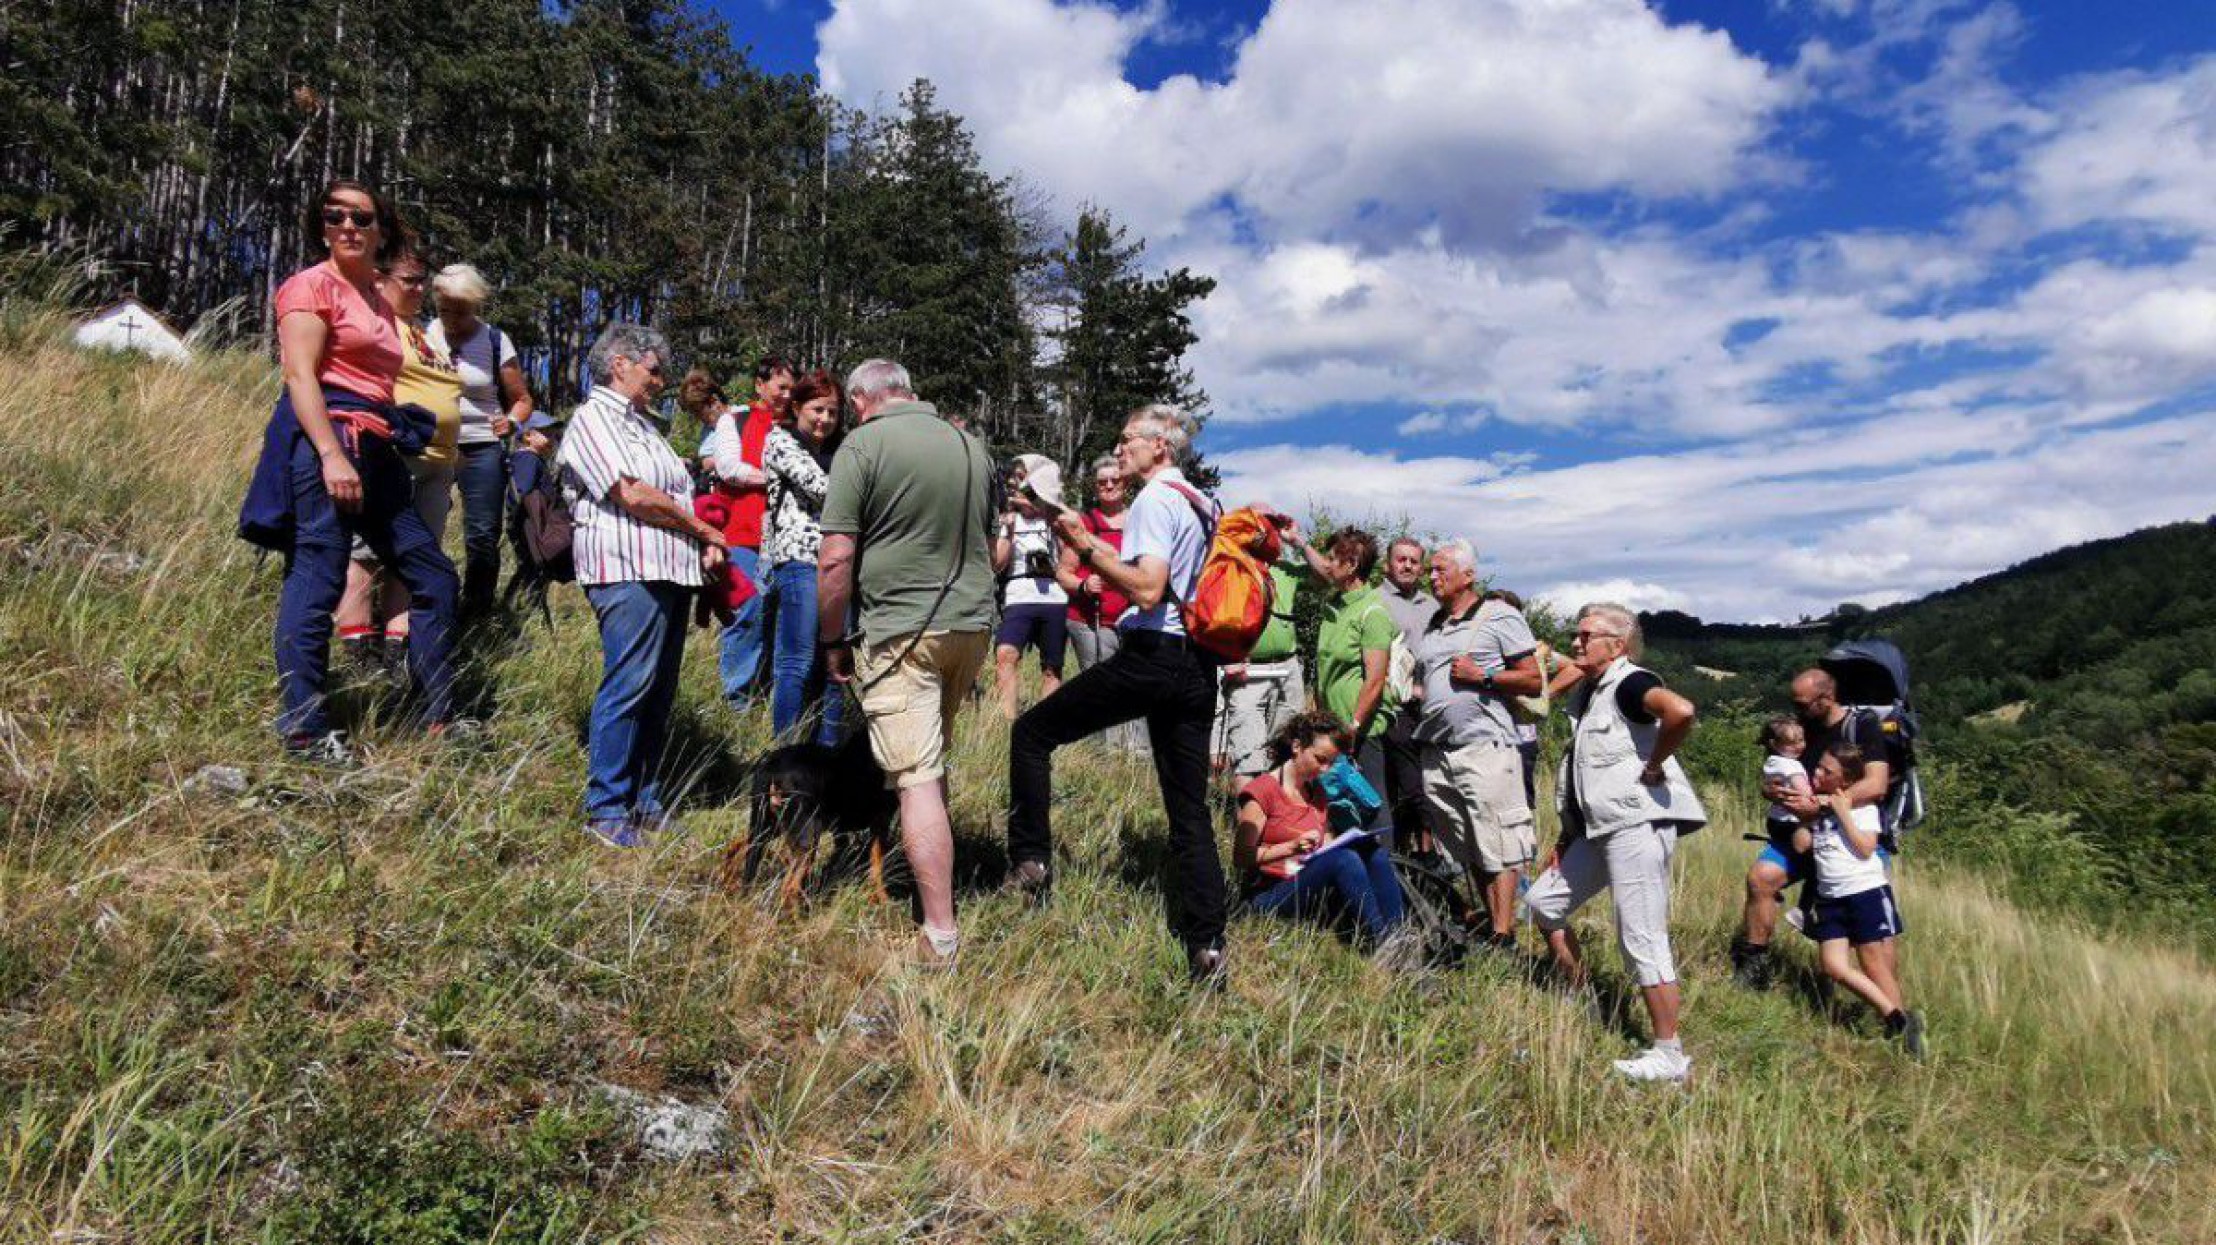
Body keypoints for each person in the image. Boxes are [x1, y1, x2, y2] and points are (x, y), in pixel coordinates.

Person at [238, 180, 459, 766]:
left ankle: (434, 713)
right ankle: (305, 727)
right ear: (322, 226)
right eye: (335, 216)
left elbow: (384, 377)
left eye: (361, 218)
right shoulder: (311, 287)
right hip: (331, 443)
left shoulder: (378, 303)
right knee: (319, 577)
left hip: (380, 448)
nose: (348, 227)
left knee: (433, 576)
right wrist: (332, 454)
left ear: (380, 229)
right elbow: (300, 377)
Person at [1008, 405, 1230, 986]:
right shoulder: (1204, 504)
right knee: (1190, 812)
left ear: (1162, 446)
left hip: (1153, 655)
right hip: (1196, 666)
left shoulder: (1156, 500)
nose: (1120, 446)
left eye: (1129, 438)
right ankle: (1208, 947)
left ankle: (1030, 861)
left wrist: (1087, 545)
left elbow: (1150, 589)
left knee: (1030, 735)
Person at [818, 359, 995, 968]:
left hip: (900, 630)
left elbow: (836, 558)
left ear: (862, 398)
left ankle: (940, 936)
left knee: (914, 775)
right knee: (932, 761)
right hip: (970, 626)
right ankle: (931, 891)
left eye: (851, 405)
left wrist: (832, 639)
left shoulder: (862, 446)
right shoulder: (971, 446)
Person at [558, 324, 728, 846]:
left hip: (668, 570)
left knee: (658, 690)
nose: (661, 380)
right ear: (620, 365)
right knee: (630, 682)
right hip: (625, 568)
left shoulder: (644, 426)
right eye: (653, 370)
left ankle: (643, 799)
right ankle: (606, 807)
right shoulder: (592, 419)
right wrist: (701, 528)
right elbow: (631, 493)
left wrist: (699, 540)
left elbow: (669, 491)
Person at [1523, 603, 1705, 1083]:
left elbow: (1680, 711)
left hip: (1636, 825)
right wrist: (1565, 839)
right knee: (1543, 901)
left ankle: (1669, 1055)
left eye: (1586, 636)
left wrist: (1654, 765)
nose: (1577, 643)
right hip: (1598, 830)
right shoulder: (1592, 691)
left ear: (1617, 644)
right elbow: (1584, 780)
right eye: (1577, 635)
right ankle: (1581, 990)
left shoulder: (1630, 682)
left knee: (1641, 935)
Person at [334, 248, 462, 676]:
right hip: (392, 453)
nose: (420, 288)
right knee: (367, 554)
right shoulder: (372, 322)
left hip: (437, 461)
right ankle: (358, 658)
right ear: (380, 278)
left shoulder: (423, 333)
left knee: (415, 559)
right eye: (411, 279)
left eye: (423, 279)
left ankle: (396, 656)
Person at [1411, 539, 1546, 946]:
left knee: (1498, 840)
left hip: (1484, 747)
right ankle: (1489, 923)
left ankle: (1503, 935)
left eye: (1440, 570)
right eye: (1430, 571)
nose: (1431, 577)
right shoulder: (1436, 623)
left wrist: (1483, 678)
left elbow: (1532, 678)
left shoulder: (1498, 616)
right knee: (1467, 841)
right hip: (1439, 749)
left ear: (1468, 575)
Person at [1733, 667, 1893, 989]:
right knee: (1761, 879)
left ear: (1827, 697)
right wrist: (1772, 790)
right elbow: (1777, 770)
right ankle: (1753, 966)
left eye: (1803, 704)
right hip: (1802, 831)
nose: (1798, 711)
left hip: (1850, 834)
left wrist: (1820, 804)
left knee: (1873, 931)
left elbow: (1877, 785)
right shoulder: (1800, 729)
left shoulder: (1862, 726)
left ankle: (1890, 1004)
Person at [1236, 710, 1407, 945]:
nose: (1325, 769)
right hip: (1271, 892)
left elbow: (1325, 844)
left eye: (1331, 762)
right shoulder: (1262, 791)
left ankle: (1398, 938)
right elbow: (1241, 856)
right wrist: (1290, 848)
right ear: (1297, 746)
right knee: (1343, 860)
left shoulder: (1316, 792)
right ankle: (1379, 942)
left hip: (1308, 881)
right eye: (1320, 759)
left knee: (1374, 854)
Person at [1798, 743, 1925, 1056]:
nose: (1817, 773)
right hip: (1830, 897)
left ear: (1845, 780)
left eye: (1826, 772)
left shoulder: (1863, 807)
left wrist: (1843, 813)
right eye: (1818, 767)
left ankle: (1900, 1032)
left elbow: (1866, 847)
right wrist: (1802, 817)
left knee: (1874, 962)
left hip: (1864, 891)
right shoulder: (1818, 807)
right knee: (1833, 966)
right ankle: (1899, 1018)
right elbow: (1803, 846)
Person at [425, 263, 534, 619]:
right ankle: (424, 604)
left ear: (476, 306)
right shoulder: (425, 334)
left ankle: (476, 613)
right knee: (423, 526)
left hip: (482, 445)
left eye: (462, 312)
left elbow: (522, 399)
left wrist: (513, 421)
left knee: (482, 534)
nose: (453, 320)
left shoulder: (495, 341)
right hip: (433, 443)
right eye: (445, 311)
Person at [698, 357, 793, 710]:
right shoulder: (734, 420)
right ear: (760, 384)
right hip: (740, 532)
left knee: (779, 616)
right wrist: (776, 477)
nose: (786, 394)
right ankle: (737, 699)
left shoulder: (796, 423)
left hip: (783, 535)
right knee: (748, 609)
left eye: (790, 388)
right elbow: (728, 467)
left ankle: (768, 693)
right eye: (780, 386)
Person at [1287, 525, 1401, 807]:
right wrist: (1299, 542)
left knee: (1370, 804)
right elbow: (1323, 570)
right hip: (1334, 727)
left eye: (1332, 558)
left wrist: (1354, 727)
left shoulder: (1372, 613)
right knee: (1341, 806)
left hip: (1360, 731)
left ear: (1350, 565)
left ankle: (1380, 853)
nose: (1326, 564)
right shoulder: (1336, 604)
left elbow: (1375, 679)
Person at [760, 369, 844, 746]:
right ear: (796, 407)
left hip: (839, 563)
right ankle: (788, 753)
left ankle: (827, 756)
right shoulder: (780, 440)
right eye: (817, 409)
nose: (825, 419)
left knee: (836, 664)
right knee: (798, 659)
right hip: (799, 561)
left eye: (833, 411)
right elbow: (820, 487)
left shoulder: (841, 450)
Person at [1058, 454, 1145, 753]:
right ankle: (1102, 751)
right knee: (1099, 683)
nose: (1109, 485)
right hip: (1091, 619)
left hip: (1134, 619)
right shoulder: (1084, 524)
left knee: (1136, 682)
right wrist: (1083, 585)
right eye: (1102, 482)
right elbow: (1063, 572)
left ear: (1125, 483)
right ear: (1095, 487)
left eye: (1115, 480)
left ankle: (1135, 751)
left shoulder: (1140, 520)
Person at [992, 454, 1069, 720]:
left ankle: (1043, 724)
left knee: (1052, 667)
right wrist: (1008, 532)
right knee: (1005, 654)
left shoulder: (1054, 518)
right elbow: (998, 565)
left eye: (1023, 480)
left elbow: (1068, 551)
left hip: (1055, 597)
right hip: (1018, 595)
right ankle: (1009, 722)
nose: (1017, 486)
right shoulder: (1007, 519)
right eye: (1015, 481)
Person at [1213, 555, 1304, 778]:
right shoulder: (1229, 568)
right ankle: (1251, 810)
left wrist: (1298, 543)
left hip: (1287, 666)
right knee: (1248, 753)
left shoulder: (1287, 569)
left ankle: (1277, 807)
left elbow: (1327, 574)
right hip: (1247, 667)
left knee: (1286, 747)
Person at [1377, 537, 1440, 856]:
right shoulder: (1375, 601)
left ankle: (1427, 857)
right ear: (1388, 564)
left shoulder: (1432, 605)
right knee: (1404, 785)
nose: (1407, 566)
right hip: (1392, 704)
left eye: (1414, 561)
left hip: (1428, 707)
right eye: (1401, 559)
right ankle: (1400, 856)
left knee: (1427, 783)